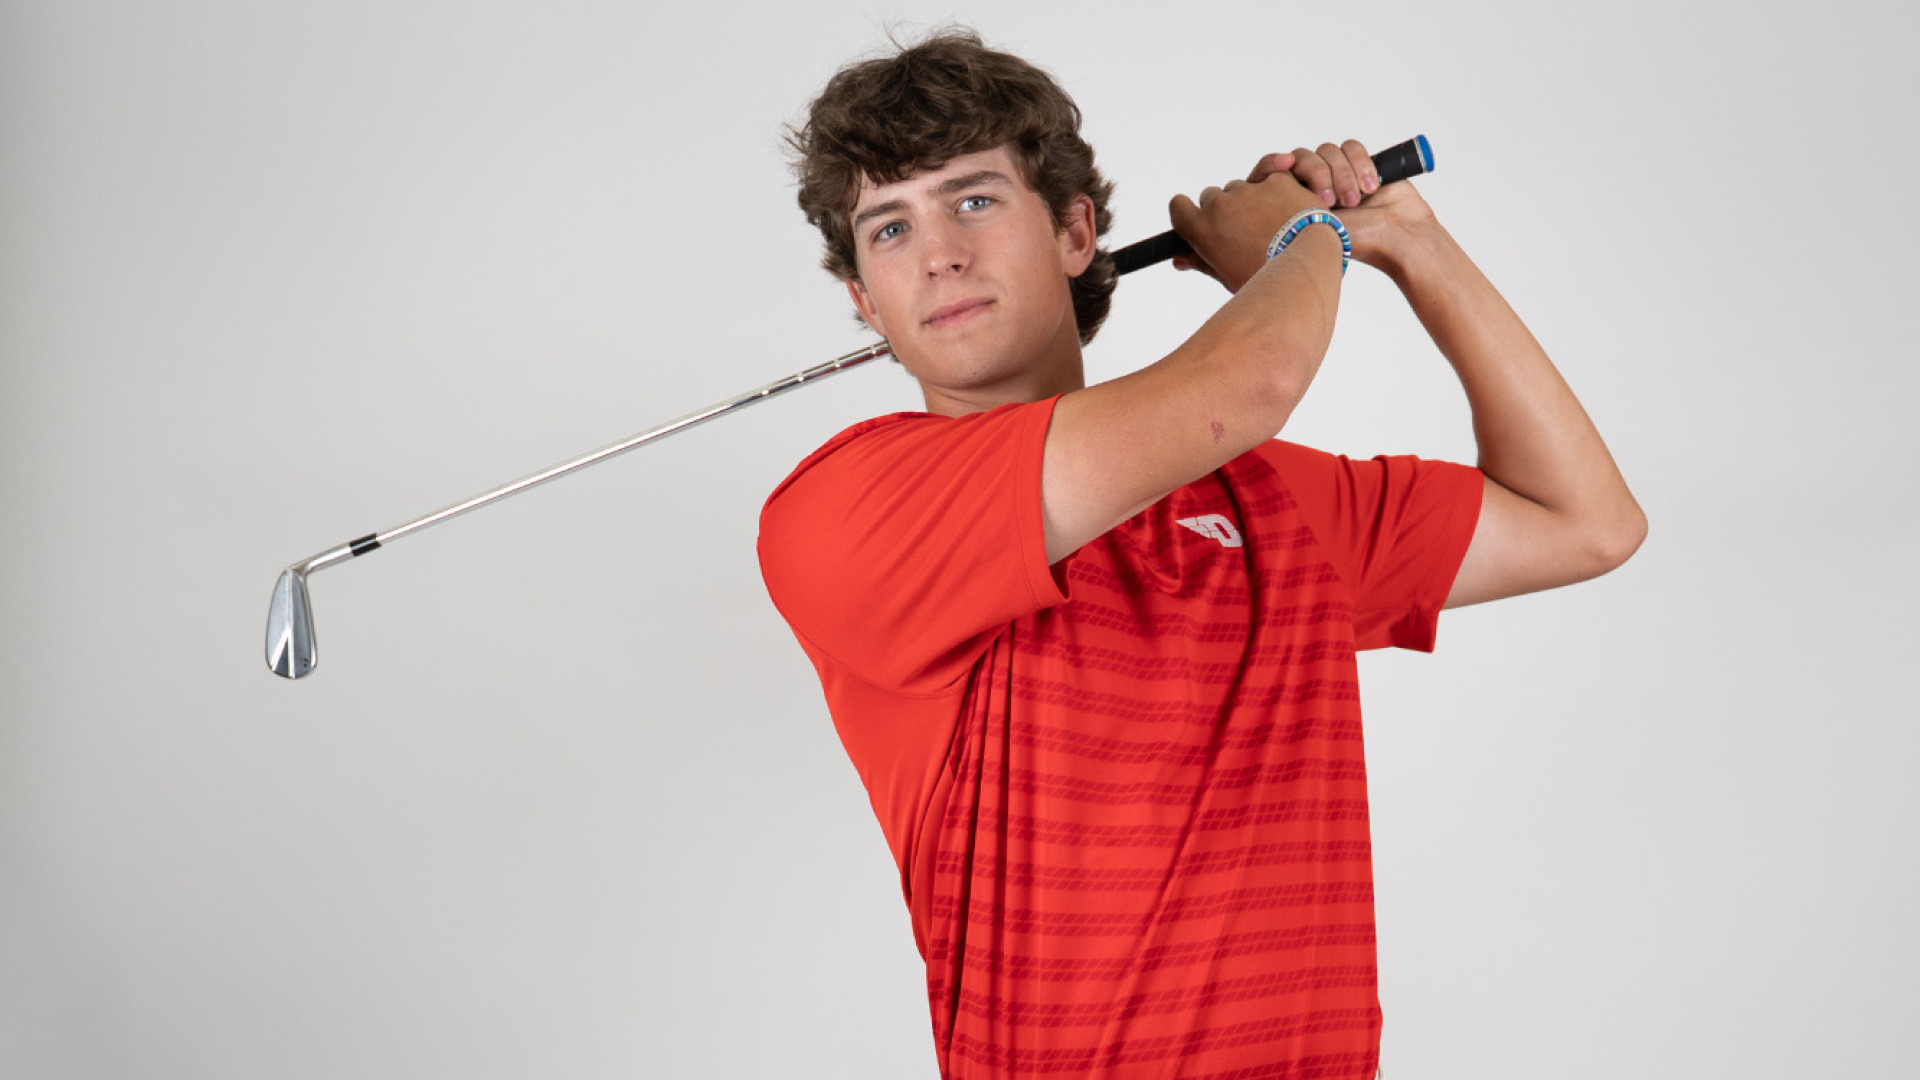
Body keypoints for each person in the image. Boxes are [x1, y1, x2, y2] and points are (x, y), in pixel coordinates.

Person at [758, 28, 1644, 1080]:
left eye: (976, 199)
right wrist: (1306, 237)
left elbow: (1583, 518)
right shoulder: (847, 509)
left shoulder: (1263, 497)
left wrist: (1409, 245)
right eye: (889, 227)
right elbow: (1251, 381)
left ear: (1076, 231)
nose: (939, 251)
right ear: (863, 300)